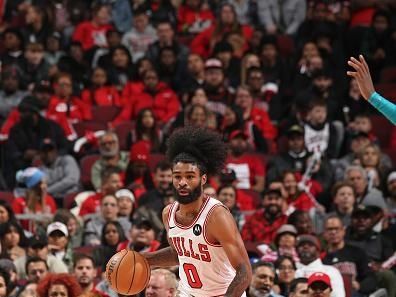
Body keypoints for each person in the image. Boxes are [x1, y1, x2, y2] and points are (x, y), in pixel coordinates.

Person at [143, 126, 252, 296]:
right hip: (188, 293)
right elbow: (180, 254)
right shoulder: (168, 213)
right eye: (177, 176)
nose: (182, 182)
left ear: (203, 179)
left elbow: (244, 271)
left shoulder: (216, 216)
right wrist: (145, 260)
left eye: (190, 176)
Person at [347, 55, 396, 125]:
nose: (355, 88)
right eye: (353, 85)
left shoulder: (368, 100)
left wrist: (372, 97)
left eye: (357, 85)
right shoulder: (345, 96)